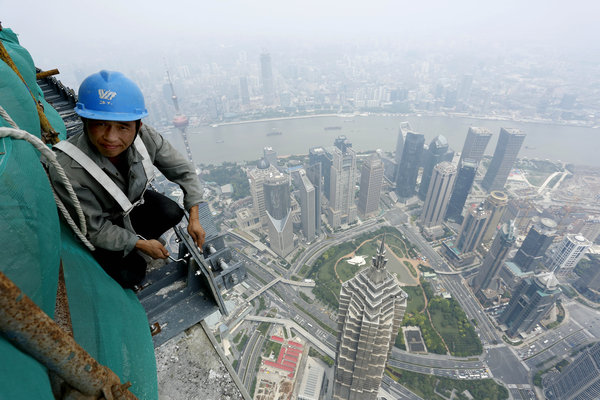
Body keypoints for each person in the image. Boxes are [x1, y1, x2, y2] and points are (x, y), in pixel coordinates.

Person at [48, 70, 205, 289]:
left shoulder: (144, 137)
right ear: (85, 121)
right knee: (131, 275)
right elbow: (95, 229)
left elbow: (183, 170)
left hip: (129, 209)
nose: (111, 138)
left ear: (137, 127)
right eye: (100, 124)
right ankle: (125, 252)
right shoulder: (66, 168)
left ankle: (135, 245)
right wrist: (139, 244)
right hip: (101, 224)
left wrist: (195, 217)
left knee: (173, 212)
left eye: (122, 127)